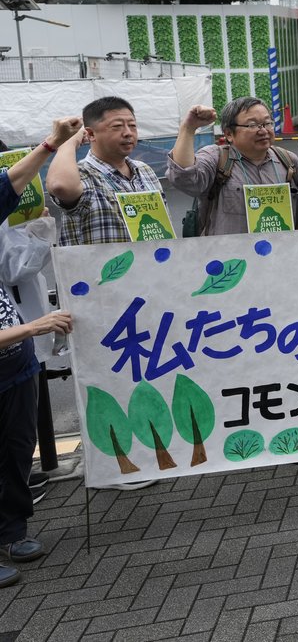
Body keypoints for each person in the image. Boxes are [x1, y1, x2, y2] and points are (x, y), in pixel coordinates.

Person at [0, 139, 74, 587]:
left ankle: (13, 532)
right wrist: (35, 327)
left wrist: (49, 145)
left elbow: (11, 185)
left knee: (14, 452)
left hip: (17, 368)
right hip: (16, 344)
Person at [168, 98, 298, 235]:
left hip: (279, 253)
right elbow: (185, 178)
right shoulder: (216, 157)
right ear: (229, 134)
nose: (263, 130)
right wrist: (188, 128)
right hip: (230, 257)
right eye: (252, 125)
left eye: (267, 123)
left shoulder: (288, 161)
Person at [47, 97, 165, 247]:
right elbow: (60, 185)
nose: (128, 133)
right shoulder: (83, 174)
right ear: (90, 134)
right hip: (102, 270)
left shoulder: (144, 170)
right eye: (117, 126)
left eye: (133, 126)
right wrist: (70, 140)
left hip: (151, 264)